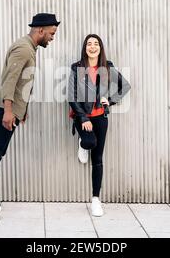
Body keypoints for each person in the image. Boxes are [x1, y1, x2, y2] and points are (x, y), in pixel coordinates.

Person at [0, 13, 60, 221]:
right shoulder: (23, 48)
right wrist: (9, 111)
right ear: (40, 30)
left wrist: (22, 110)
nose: (52, 38)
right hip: (5, 110)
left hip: (12, 109)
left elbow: (21, 83)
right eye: (51, 34)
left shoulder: (30, 48)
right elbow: (10, 81)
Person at [68, 34, 131, 217]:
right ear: (85, 47)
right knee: (89, 143)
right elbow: (71, 97)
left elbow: (125, 87)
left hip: (101, 117)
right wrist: (83, 118)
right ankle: (83, 143)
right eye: (89, 44)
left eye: (96, 44)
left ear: (100, 47)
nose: (92, 47)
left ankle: (96, 199)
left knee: (98, 159)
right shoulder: (77, 67)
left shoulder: (107, 67)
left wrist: (109, 101)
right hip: (82, 117)